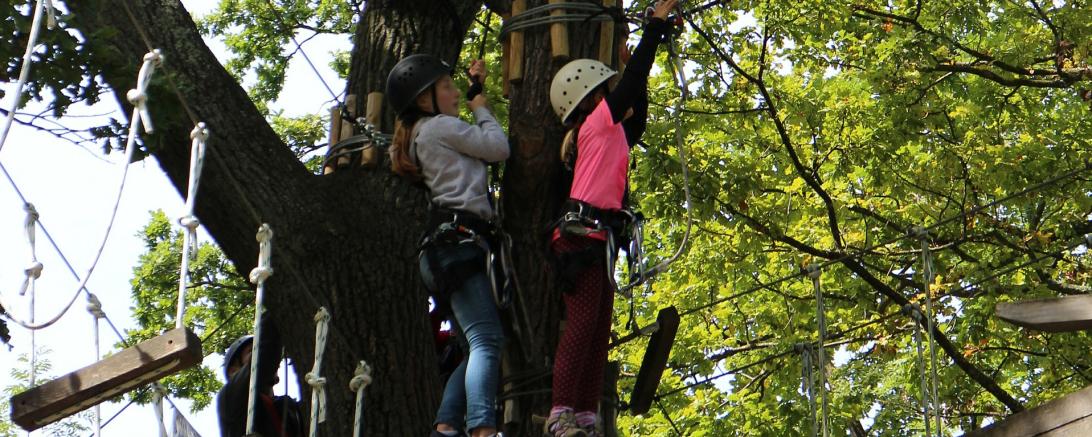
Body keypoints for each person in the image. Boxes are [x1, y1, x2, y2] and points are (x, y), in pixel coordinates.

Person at [544, 1, 679, 436]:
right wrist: (653, 27)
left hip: (598, 239)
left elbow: (636, 108)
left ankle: (584, 414)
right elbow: (632, 85)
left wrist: (632, 62)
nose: (616, 94)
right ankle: (560, 412)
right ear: (595, 98)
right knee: (582, 328)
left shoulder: (613, 131)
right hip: (581, 238)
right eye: (609, 89)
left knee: (598, 331)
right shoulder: (594, 125)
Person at [387, 54, 509, 437]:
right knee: (487, 339)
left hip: (445, 251)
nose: (454, 93)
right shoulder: (439, 126)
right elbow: (497, 147)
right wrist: (482, 109)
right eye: (446, 87)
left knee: (475, 345)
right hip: (457, 247)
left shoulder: (426, 131)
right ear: (425, 100)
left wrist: (475, 89)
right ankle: (482, 428)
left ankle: (445, 427)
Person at [217, 315, 303, 437]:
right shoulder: (229, 397)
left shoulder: (288, 408)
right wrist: (273, 313)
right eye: (252, 350)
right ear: (233, 371)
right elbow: (265, 356)